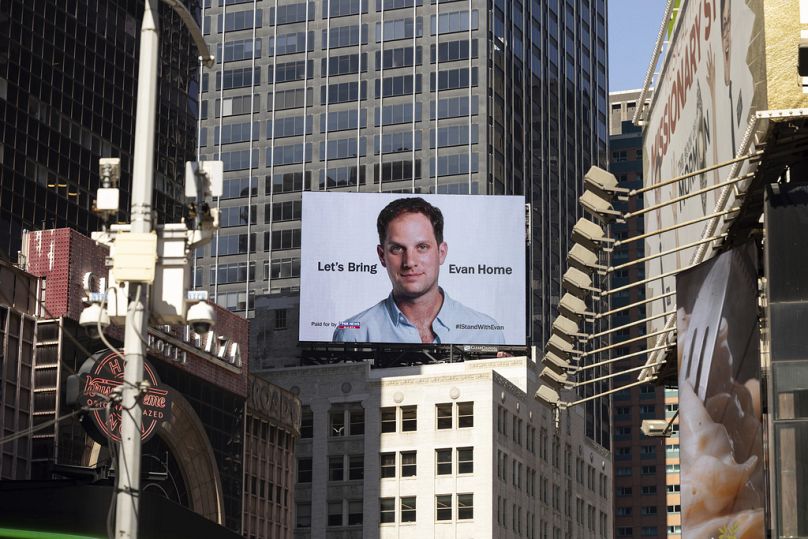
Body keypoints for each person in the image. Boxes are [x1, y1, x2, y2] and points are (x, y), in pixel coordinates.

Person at [333, 197, 505, 344]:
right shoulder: (353, 334)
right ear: (381, 255)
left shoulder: (487, 334)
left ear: (441, 253)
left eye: (422, 247)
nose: (410, 262)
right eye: (397, 249)